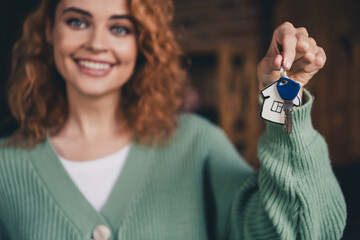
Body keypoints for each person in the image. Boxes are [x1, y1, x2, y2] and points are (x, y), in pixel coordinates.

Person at [0, 0, 346, 239]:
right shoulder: (6, 167)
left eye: (120, 28)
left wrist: (283, 91)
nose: (96, 43)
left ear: (142, 42)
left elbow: (301, 230)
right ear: (48, 31)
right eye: (77, 21)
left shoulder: (196, 143)